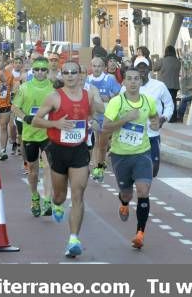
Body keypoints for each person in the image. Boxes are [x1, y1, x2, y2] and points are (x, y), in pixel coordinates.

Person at [32, 60, 104, 258]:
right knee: (60, 195)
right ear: (62, 75)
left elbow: (99, 111)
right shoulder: (54, 97)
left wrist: (96, 114)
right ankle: (56, 204)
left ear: (81, 74)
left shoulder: (88, 94)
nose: (71, 75)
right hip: (58, 150)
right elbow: (36, 120)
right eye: (67, 72)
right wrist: (56, 123)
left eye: (75, 72)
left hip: (79, 149)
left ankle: (74, 239)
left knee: (78, 193)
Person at [101, 67, 160, 249]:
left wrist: (155, 122)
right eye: (129, 79)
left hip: (142, 152)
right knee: (127, 193)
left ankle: (140, 233)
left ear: (140, 82)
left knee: (143, 190)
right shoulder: (116, 102)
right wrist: (125, 119)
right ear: (124, 82)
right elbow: (105, 126)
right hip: (120, 155)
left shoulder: (148, 101)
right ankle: (124, 202)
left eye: (136, 79)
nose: (133, 82)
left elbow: (154, 116)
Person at [12, 57, 55, 217]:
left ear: (47, 71)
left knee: (49, 167)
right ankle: (35, 196)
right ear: (33, 71)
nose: (40, 72)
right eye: (37, 69)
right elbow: (15, 107)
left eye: (43, 69)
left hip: (48, 134)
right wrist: (26, 118)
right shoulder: (25, 88)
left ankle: (47, 200)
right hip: (30, 134)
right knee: (33, 171)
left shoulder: (53, 89)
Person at [125, 57, 173, 178]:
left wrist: (163, 118)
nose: (142, 70)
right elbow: (120, 104)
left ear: (149, 69)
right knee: (134, 166)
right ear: (134, 69)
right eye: (139, 67)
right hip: (134, 132)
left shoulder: (159, 86)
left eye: (144, 67)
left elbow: (169, 104)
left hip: (152, 133)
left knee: (154, 170)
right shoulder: (128, 86)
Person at [85, 57, 121, 180]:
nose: (96, 68)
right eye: (94, 66)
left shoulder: (109, 79)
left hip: (107, 115)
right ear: (91, 67)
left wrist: (109, 98)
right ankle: (97, 168)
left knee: (103, 143)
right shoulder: (87, 80)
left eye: (99, 66)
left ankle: (100, 164)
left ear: (104, 67)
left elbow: (118, 95)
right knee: (95, 141)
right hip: (93, 115)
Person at [155, 45, 181, 123]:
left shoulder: (162, 60)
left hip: (164, 84)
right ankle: (173, 118)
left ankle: (165, 117)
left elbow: (155, 68)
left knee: (164, 101)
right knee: (173, 101)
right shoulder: (177, 61)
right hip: (174, 85)